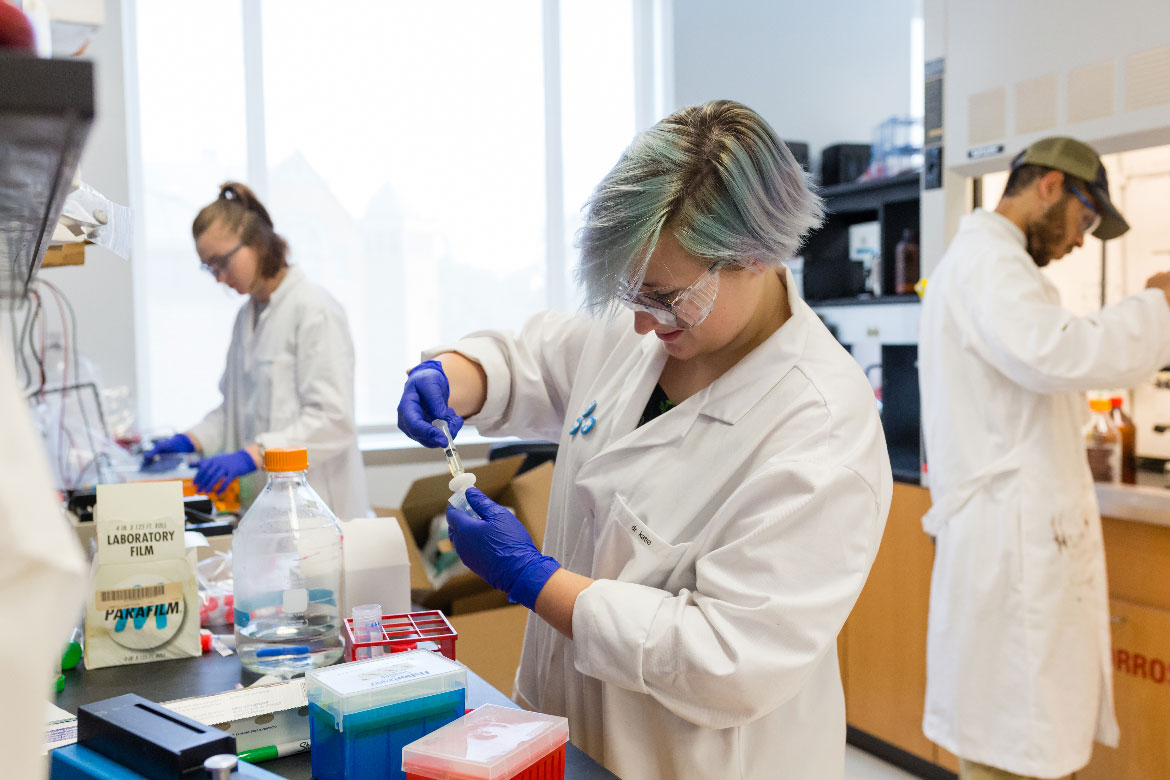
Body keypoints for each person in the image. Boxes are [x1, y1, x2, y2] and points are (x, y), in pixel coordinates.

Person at [396, 100, 892, 780]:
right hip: (566, 736)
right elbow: (538, 359)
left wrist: (532, 580)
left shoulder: (820, 428)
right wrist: (456, 376)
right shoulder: (656, 326)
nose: (638, 324)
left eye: (662, 296)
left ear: (757, 254)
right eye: (629, 293)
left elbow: (727, 657)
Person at [918, 137, 1170, 780]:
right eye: (1086, 220)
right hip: (1010, 561)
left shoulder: (996, 269)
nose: (1082, 240)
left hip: (1012, 554)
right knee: (1014, 750)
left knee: (1019, 747)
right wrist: (1157, 306)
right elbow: (1053, 353)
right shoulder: (989, 264)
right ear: (1051, 186)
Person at [143, 183, 370, 521]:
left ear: (257, 244)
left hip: (320, 510)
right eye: (209, 268)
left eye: (221, 262)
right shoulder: (246, 316)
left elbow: (332, 420)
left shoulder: (314, 309)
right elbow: (234, 408)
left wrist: (254, 454)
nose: (218, 278)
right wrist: (189, 439)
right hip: (268, 510)